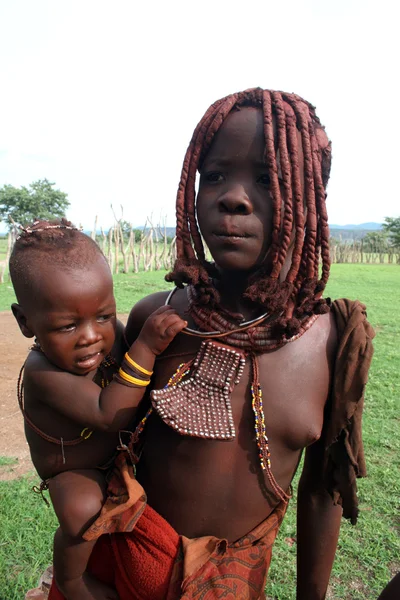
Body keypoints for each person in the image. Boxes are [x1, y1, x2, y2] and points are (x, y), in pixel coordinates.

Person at [49, 88, 375, 600]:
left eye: (269, 179)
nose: (234, 197)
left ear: (313, 198)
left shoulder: (333, 341)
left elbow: (321, 491)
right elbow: (93, 432)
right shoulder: (157, 320)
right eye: (216, 176)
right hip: (125, 574)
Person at [10, 219, 187, 600]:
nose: (91, 336)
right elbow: (110, 413)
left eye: (104, 316)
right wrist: (148, 347)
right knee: (82, 510)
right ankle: (71, 579)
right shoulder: (42, 372)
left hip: (114, 451)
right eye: (68, 326)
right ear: (26, 322)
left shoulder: (109, 336)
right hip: (74, 467)